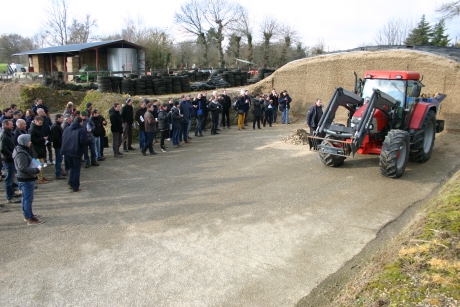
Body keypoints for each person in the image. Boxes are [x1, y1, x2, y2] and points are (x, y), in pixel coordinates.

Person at [13, 134, 43, 225]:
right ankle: (29, 218)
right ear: (24, 142)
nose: (30, 142)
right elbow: (22, 167)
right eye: (29, 141)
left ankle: (29, 214)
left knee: (26, 198)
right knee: (27, 199)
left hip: (26, 178)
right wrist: (36, 170)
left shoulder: (22, 150)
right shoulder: (21, 153)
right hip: (25, 179)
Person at [61, 117, 88, 192]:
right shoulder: (81, 130)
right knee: (76, 169)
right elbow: (84, 142)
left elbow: (63, 137)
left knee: (72, 168)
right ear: (80, 122)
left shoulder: (67, 129)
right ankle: (75, 186)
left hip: (66, 151)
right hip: (76, 151)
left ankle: (71, 182)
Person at [0, 119, 21, 204]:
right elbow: (2, 149)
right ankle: (9, 197)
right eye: (10, 125)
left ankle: (12, 193)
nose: (12, 126)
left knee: (11, 177)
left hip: (11, 158)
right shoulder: (4, 135)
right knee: (9, 178)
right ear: (5, 125)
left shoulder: (9, 134)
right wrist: (12, 154)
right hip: (8, 159)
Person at [29, 116, 49, 184]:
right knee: (38, 164)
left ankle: (41, 176)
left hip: (41, 147)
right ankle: (39, 178)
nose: (41, 124)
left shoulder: (39, 127)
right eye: (40, 123)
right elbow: (32, 140)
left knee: (42, 163)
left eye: (42, 123)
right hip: (36, 149)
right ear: (35, 121)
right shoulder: (32, 129)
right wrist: (43, 139)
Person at [51, 114, 66, 179]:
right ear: (58, 118)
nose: (63, 119)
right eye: (61, 118)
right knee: (58, 159)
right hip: (58, 146)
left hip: (59, 145)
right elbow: (56, 137)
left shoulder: (58, 126)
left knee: (60, 159)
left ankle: (59, 171)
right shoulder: (56, 127)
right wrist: (62, 143)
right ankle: (58, 173)